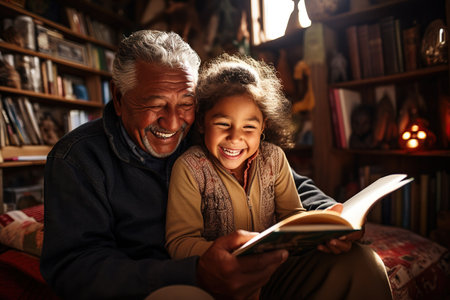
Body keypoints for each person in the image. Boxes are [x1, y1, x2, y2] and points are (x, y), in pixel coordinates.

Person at [41, 29, 392, 300]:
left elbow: (290, 185)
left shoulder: (208, 132)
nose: (173, 121)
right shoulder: (77, 160)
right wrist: (194, 272)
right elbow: (74, 268)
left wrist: (333, 219)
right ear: (118, 99)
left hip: (258, 270)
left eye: (186, 103)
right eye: (156, 103)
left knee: (359, 264)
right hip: (171, 284)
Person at [165, 54, 307, 261]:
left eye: (249, 127)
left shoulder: (274, 159)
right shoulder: (190, 168)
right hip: (222, 278)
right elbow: (180, 242)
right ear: (202, 122)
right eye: (223, 124)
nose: (234, 137)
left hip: (275, 266)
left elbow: (293, 216)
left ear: (263, 125)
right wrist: (224, 255)